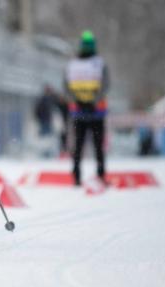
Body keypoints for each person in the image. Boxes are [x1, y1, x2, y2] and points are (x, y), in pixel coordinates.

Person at [64, 30, 110, 185]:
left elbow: (66, 87)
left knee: (79, 145)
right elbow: (105, 85)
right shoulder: (99, 64)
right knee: (97, 145)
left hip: (79, 111)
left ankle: (77, 175)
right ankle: (100, 174)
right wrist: (93, 102)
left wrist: (78, 101)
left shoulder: (72, 64)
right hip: (96, 111)